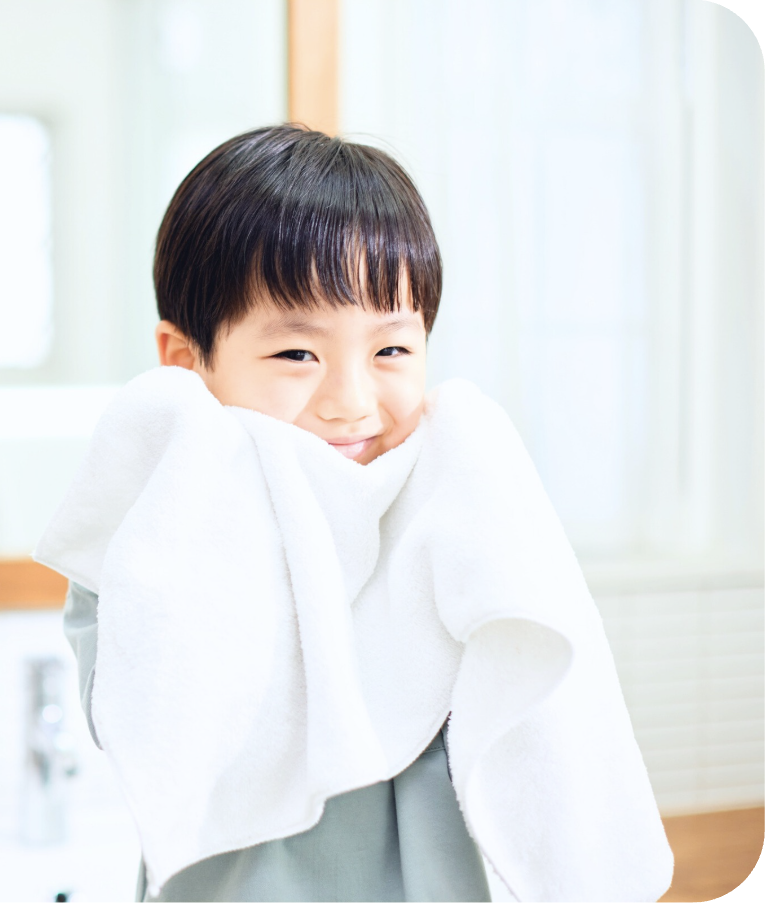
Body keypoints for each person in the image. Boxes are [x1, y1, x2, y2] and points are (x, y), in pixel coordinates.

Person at [35, 125, 672, 902]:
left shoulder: (454, 507)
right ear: (185, 361)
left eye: (391, 351)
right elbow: (139, 721)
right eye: (296, 354)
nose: (351, 402)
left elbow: (529, 722)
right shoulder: (154, 534)